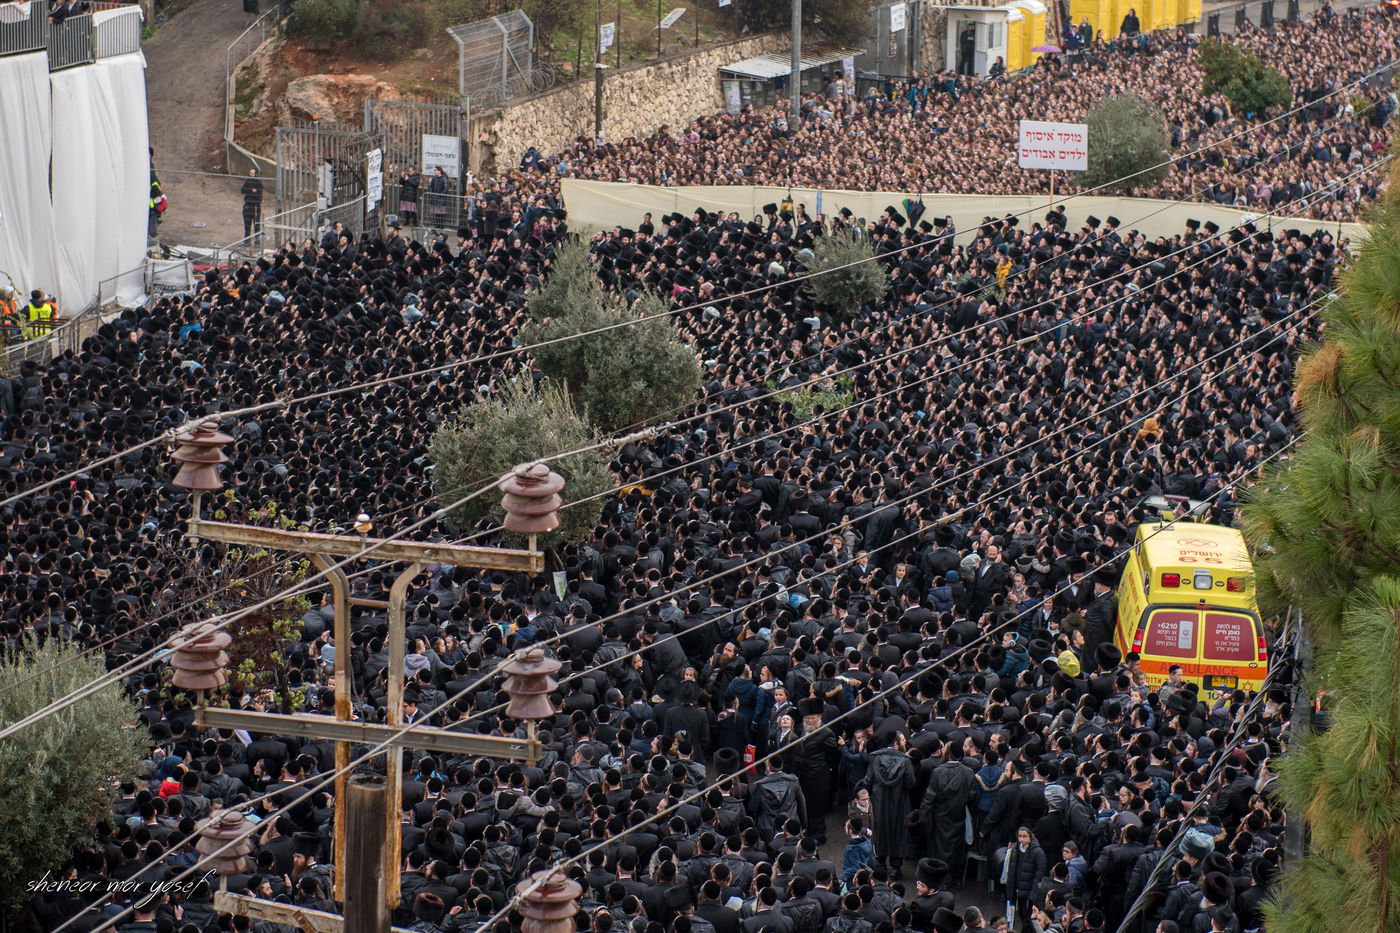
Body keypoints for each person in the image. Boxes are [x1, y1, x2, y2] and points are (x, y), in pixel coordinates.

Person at [241, 167, 264, 240]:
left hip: (255, 206)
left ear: (256, 174)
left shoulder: (259, 183)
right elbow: (242, 190)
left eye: (253, 173)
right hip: (248, 205)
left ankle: (257, 240)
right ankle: (247, 240)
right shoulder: (248, 181)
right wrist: (250, 190)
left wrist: (251, 191)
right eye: (250, 173)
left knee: (256, 224)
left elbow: (259, 193)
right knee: (247, 225)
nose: (251, 175)